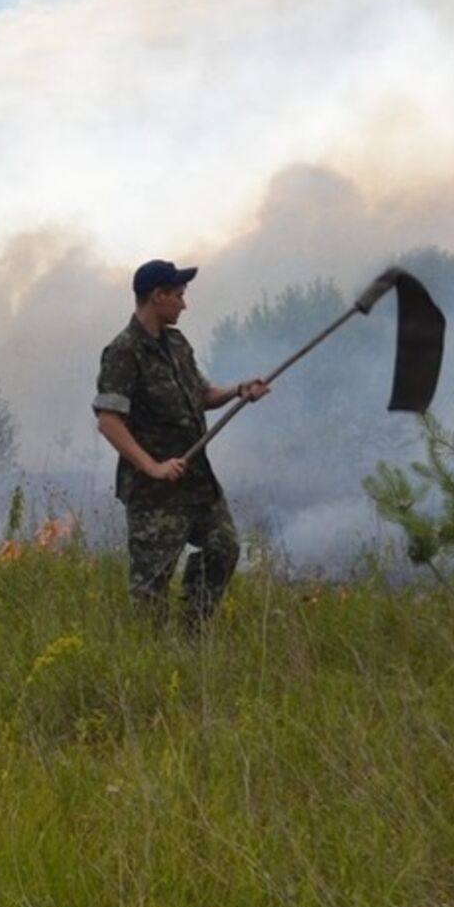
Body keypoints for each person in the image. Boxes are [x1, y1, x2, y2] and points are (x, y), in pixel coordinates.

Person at [93, 259, 270, 632]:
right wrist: (152, 466)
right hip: (154, 493)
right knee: (150, 589)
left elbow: (203, 394)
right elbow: (109, 421)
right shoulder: (124, 352)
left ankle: (193, 634)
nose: (184, 305)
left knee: (224, 548)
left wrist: (239, 391)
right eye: (178, 296)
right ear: (157, 296)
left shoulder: (176, 343)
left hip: (196, 483)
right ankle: (151, 661)